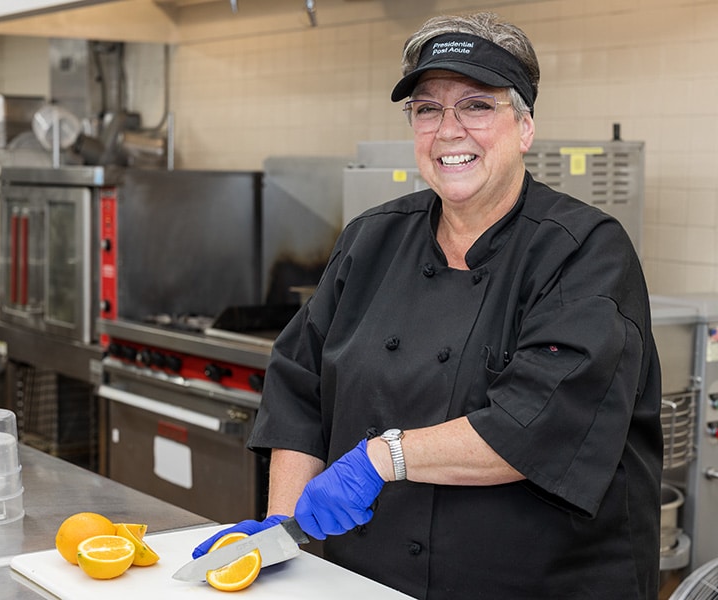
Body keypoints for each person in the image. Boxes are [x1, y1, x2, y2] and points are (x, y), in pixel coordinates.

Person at [193, 11, 662, 599]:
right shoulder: (372, 238)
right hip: (370, 580)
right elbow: (299, 384)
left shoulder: (584, 250)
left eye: (477, 105)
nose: (448, 130)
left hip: (539, 583)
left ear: (525, 127)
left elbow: (538, 421)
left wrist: (379, 459)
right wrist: (283, 529)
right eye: (427, 108)